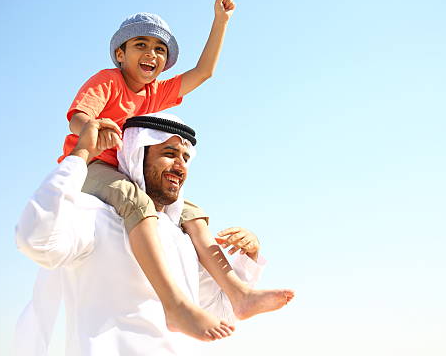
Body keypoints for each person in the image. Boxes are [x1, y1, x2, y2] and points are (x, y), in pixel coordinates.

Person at [56, 0, 292, 340]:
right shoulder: (108, 81)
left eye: (160, 49)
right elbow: (78, 117)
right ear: (120, 54)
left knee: (190, 211)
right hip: (93, 165)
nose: (151, 54)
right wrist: (94, 130)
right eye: (141, 45)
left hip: (126, 168)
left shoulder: (154, 94)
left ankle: (239, 294)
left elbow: (204, 72)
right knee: (135, 201)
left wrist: (220, 21)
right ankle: (176, 306)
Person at [15, 113, 290, 355]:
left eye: (185, 158)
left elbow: (219, 311)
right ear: (137, 155)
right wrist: (80, 156)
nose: (180, 166)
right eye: (169, 153)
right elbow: (35, 239)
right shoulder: (96, 215)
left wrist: (249, 258)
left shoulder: (181, 238)